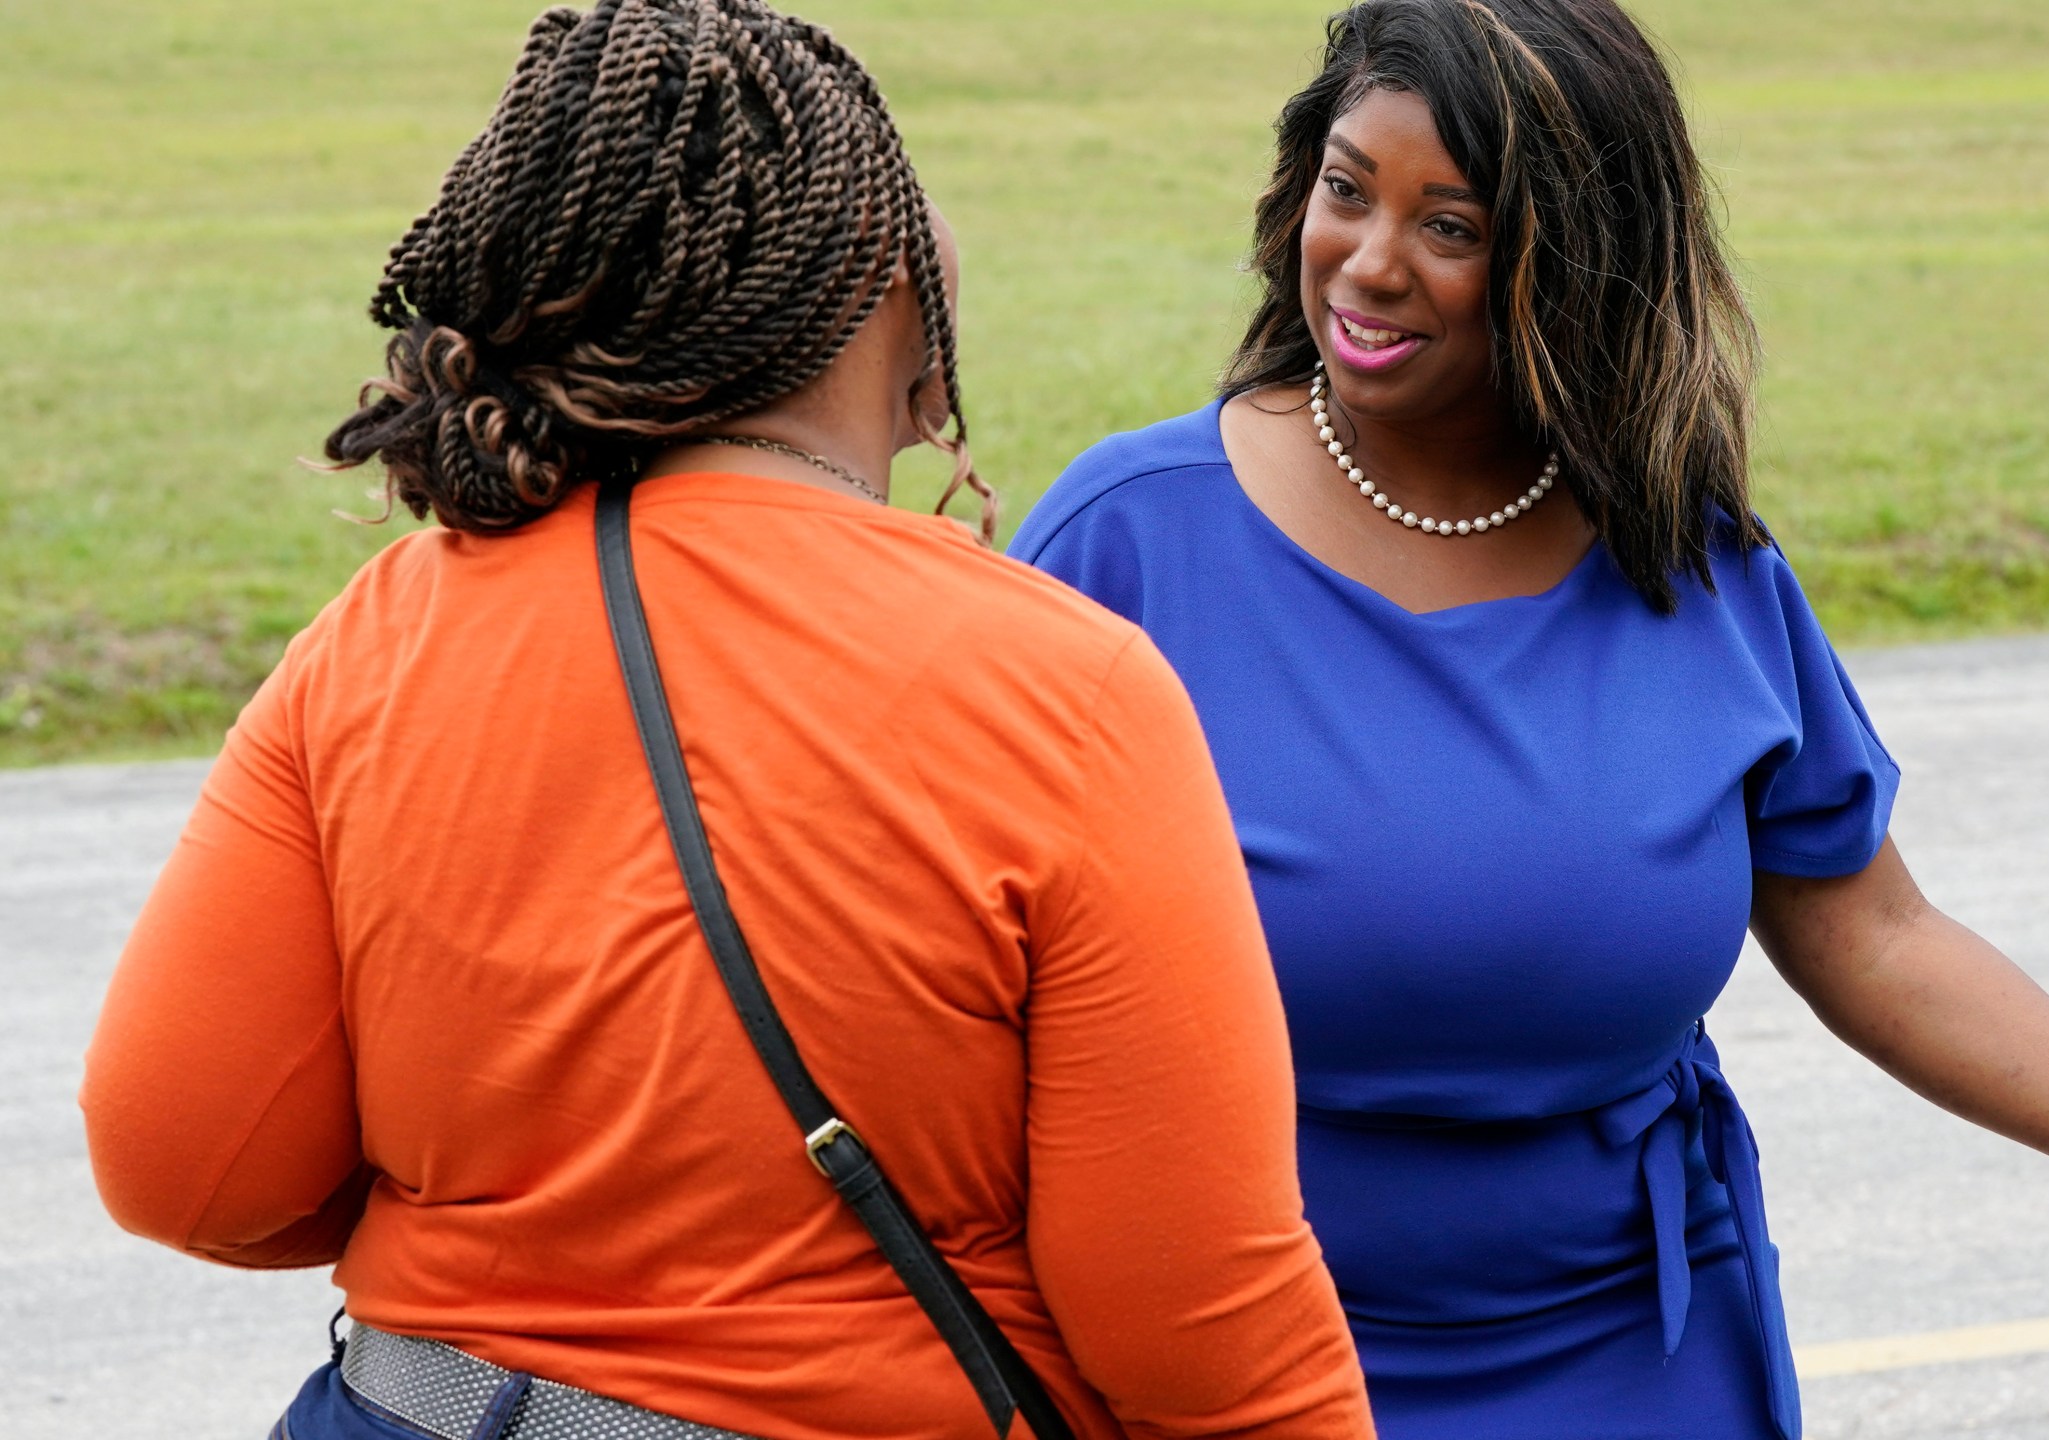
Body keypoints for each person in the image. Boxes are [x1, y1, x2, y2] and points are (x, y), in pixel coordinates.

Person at [1010, 2, 2049, 1436]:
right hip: (1227, 1360)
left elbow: (1878, 936)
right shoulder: (1129, 544)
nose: (1369, 266)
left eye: (1449, 226)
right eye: (1346, 191)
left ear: (1571, 262)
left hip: (1638, 1347)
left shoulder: (1691, 567)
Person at [80, 4, 1373, 1439]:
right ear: (873, 272)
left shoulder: (379, 632)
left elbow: (182, 1159)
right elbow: (1199, 1332)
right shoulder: (1066, 688)